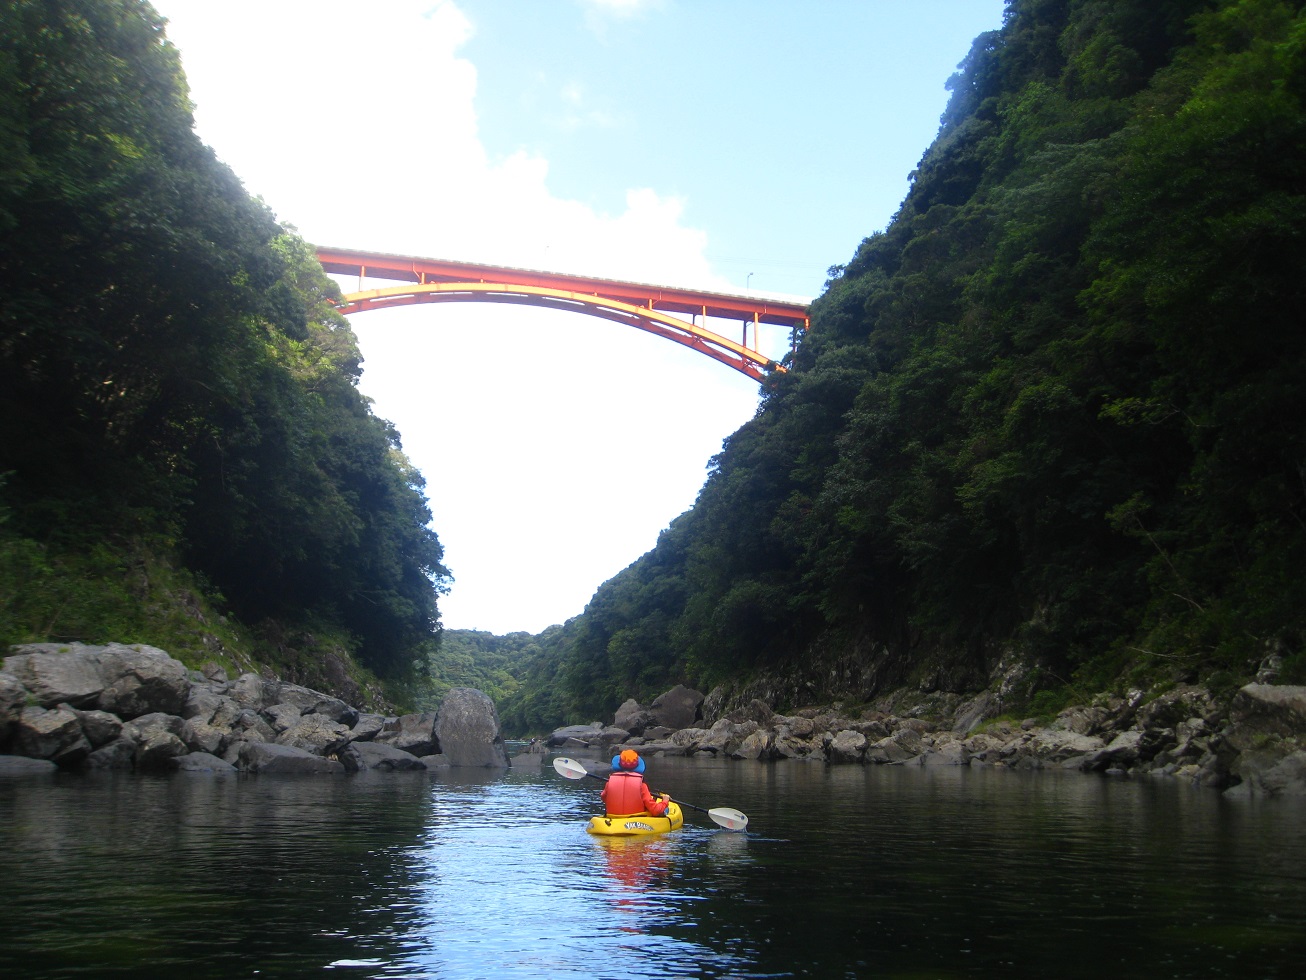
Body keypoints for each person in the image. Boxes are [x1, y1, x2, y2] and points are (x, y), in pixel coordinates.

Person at [601, 749, 670, 817]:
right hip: (635, 820)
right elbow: (656, 811)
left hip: (613, 818)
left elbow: (603, 797)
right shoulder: (641, 785)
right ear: (637, 765)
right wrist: (665, 801)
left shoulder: (609, 782)